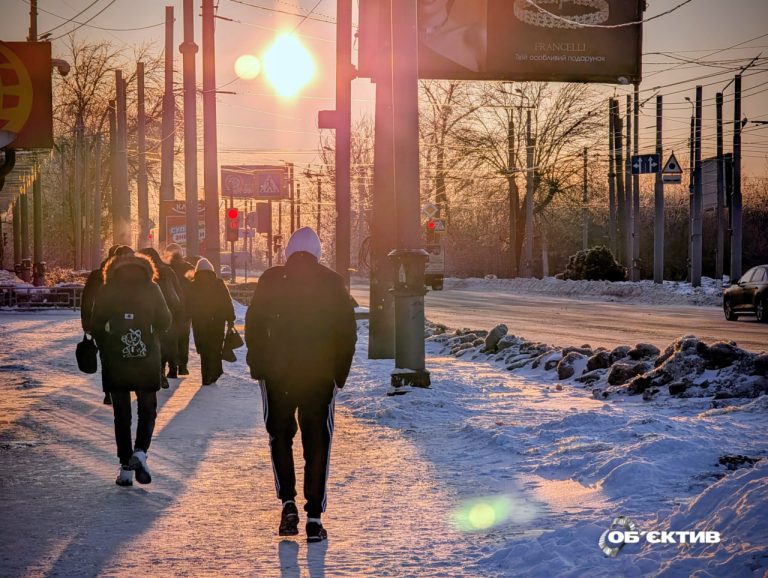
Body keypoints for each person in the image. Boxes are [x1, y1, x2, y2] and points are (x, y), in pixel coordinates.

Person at [245, 227, 357, 542]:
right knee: (318, 442)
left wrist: (259, 365)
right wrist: (339, 374)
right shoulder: (333, 283)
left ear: (289, 252)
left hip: (277, 375)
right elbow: (347, 332)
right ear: (318, 254)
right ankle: (314, 517)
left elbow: (253, 325)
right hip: (319, 375)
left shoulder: (270, 279)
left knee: (279, 436)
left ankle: (288, 503)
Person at [91, 251, 171, 486]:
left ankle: (126, 468)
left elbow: (95, 323)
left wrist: (108, 341)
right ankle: (140, 451)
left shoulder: (108, 289)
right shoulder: (152, 288)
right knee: (147, 409)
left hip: (116, 360)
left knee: (121, 415)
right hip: (146, 359)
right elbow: (165, 321)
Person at [81, 244, 131, 405]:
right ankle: (121, 387)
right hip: (124, 323)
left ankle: (109, 391)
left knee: (107, 359)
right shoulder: (130, 276)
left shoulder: (97, 275)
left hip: (100, 323)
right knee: (124, 355)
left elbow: (87, 301)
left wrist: (87, 324)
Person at [138, 248, 183, 386]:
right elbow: (178, 290)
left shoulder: (146, 272)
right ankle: (173, 368)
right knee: (171, 340)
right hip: (171, 310)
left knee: (156, 341)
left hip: (153, 311)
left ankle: (160, 372)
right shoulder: (168, 270)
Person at [188, 258, 235, 386]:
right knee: (215, 348)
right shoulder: (219, 283)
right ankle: (214, 373)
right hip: (217, 322)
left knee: (204, 349)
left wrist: (187, 317)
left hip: (200, 322)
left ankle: (206, 377)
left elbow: (188, 304)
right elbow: (227, 301)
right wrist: (231, 318)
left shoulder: (193, 285)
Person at [163, 243, 195, 376]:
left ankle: (172, 368)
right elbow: (195, 290)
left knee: (170, 339)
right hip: (185, 310)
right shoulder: (189, 269)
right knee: (183, 338)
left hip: (169, 309)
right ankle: (183, 366)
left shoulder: (166, 270)